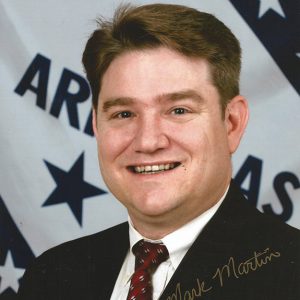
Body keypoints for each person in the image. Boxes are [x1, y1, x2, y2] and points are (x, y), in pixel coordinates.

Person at [18, 3, 300, 300]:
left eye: (178, 110)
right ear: (97, 126)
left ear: (231, 123)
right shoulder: (52, 275)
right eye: (124, 114)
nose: (148, 141)